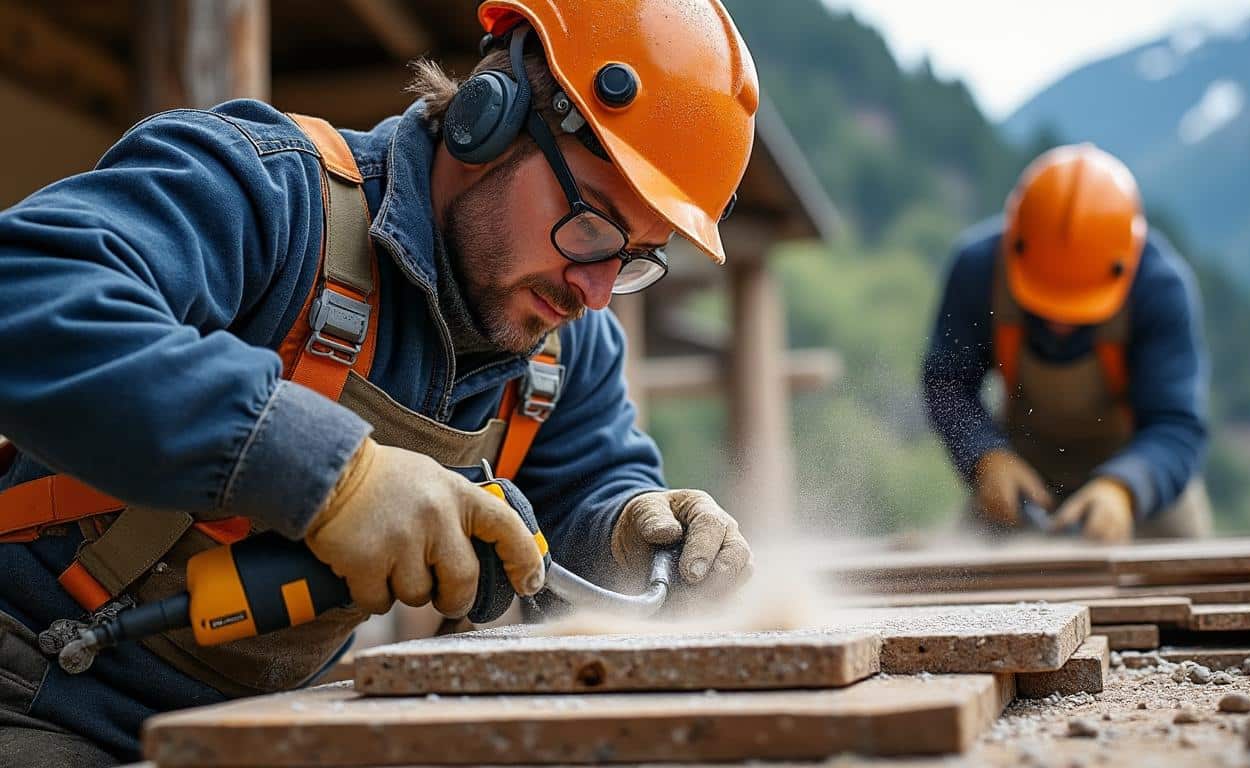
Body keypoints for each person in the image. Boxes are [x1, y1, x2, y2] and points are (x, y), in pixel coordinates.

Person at [0, 1, 758, 763]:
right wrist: (331, 475)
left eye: (634, 258)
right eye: (593, 224)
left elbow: (579, 500)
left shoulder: (564, 340)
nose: (596, 291)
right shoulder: (267, 193)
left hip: (276, 727)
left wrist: (628, 533)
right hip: (37, 693)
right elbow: (26, 295)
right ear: (487, 121)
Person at [922, 143, 1212, 545]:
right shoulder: (977, 271)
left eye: (1078, 307)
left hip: (1144, 485)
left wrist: (1125, 487)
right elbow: (947, 383)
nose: (1060, 322)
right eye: (1044, 300)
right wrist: (984, 456)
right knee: (959, 576)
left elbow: (1177, 426)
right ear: (1014, 244)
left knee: (1190, 576)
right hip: (1021, 477)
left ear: (1124, 263)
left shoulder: (1160, 288)